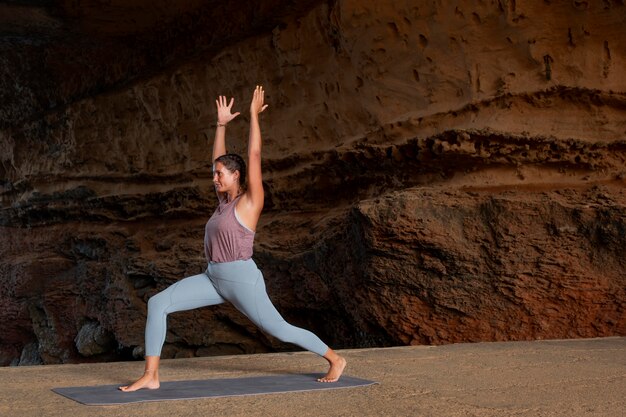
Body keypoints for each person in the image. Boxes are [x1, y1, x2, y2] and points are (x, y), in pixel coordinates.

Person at [120, 86, 346, 392]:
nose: (214, 179)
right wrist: (221, 125)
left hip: (241, 279)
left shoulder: (250, 203)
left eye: (220, 175)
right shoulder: (222, 203)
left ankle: (334, 359)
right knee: (158, 303)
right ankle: (151, 375)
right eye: (214, 174)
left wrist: (253, 116)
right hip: (213, 277)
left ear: (237, 175)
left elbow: (253, 155)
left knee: (279, 329)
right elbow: (219, 158)